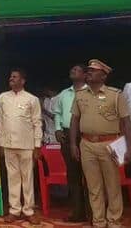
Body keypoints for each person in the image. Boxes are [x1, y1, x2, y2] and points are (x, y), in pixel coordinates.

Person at [70, 59, 131, 228]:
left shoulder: (115, 95)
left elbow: (127, 123)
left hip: (109, 144)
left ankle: (114, 221)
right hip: (86, 144)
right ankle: (98, 221)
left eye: (93, 70)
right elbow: (74, 121)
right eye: (88, 70)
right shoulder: (80, 95)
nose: (89, 72)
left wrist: (129, 148)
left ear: (103, 76)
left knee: (112, 185)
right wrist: (73, 144)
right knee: (93, 186)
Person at [0, 69, 42, 224]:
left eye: (15, 77)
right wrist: (2, 144)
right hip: (9, 145)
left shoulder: (32, 99)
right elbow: (1, 122)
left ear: (23, 81)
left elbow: (37, 123)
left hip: (27, 145)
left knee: (27, 178)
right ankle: (14, 210)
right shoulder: (3, 97)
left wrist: (37, 145)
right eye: (10, 77)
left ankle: (29, 210)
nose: (11, 79)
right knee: (12, 178)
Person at [53, 65, 89, 222]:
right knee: (73, 176)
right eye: (71, 70)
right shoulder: (64, 94)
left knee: (90, 176)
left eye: (77, 70)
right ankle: (77, 212)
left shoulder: (90, 92)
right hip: (67, 136)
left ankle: (94, 213)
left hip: (87, 136)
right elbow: (57, 113)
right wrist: (57, 129)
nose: (73, 72)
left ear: (85, 75)